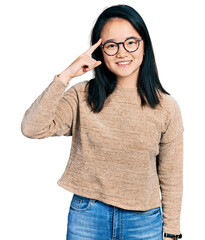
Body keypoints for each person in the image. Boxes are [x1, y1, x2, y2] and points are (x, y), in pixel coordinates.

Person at [21, 4, 184, 240]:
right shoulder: (81, 96)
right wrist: (66, 75)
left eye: (131, 42)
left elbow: (171, 176)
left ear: (144, 44)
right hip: (87, 217)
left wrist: (172, 232)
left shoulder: (166, 107)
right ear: (99, 51)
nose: (122, 52)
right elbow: (32, 128)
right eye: (111, 45)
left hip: (144, 222)